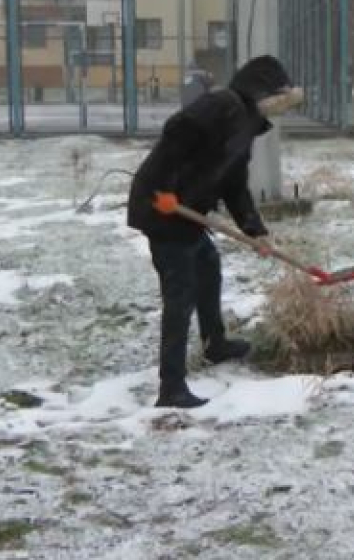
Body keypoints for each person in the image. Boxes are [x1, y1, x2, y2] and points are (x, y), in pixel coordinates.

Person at [127, 55, 304, 409]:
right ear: (260, 91)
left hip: (189, 213)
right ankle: (171, 386)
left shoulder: (246, 124)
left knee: (209, 270)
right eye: (277, 98)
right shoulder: (223, 104)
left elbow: (234, 185)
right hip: (162, 208)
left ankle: (215, 344)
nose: (278, 107)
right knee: (180, 295)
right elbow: (177, 130)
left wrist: (255, 231)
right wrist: (164, 189)